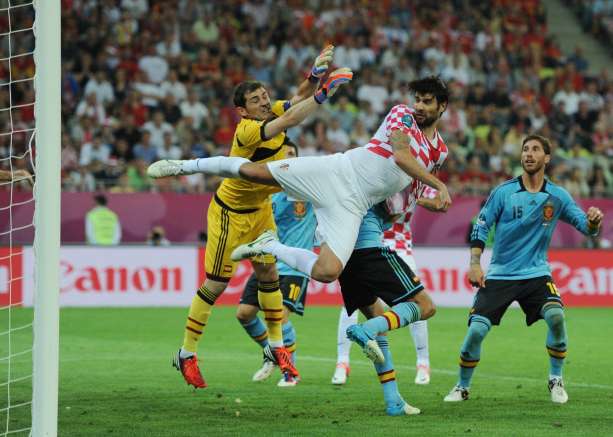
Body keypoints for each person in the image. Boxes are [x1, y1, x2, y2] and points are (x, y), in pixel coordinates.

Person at [158, 45, 352, 388]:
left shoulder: (271, 111)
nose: (265, 102)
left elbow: (294, 101)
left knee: (268, 275)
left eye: (265, 96)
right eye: (257, 99)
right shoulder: (247, 131)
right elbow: (292, 117)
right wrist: (324, 94)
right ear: (242, 110)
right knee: (216, 285)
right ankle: (186, 353)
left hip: (261, 210)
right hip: (230, 214)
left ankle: (278, 348)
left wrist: (315, 73)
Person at [148, 76, 452, 288]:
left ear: (443, 107)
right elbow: (401, 158)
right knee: (255, 172)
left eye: (428, 102)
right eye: (418, 100)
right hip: (337, 172)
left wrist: (426, 200)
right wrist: (440, 187)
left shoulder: (440, 151)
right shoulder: (402, 115)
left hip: (354, 205)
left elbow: (411, 186)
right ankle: (185, 165)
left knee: (328, 271)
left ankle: (268, 245)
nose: (420, 106)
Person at [443, 134, 604, 404]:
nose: (529, 154)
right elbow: (481, 226)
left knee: (556, 316)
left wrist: (594, 222)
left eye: (535, 149)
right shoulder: (504, 192)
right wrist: (474, 264)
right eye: (525, 149)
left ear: (547, 158)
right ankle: (462, 386)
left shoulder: (558, 196)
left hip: (537, 274)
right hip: (500, 274)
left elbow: (585, 227)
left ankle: (556, 378)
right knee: (476, 332)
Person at [334, 178, 448, 416]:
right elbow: (394, 209)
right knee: (424, 307)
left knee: (375, 314)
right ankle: (362, 339)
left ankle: (393, 399)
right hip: (375, 249)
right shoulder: (394, 174)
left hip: (344, 254)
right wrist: (417, 196)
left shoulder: (351, 179)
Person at [236, 144, 317, 387]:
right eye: (284, 154)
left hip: (294, 267)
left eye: (292, 154)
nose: (288, 158)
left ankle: (289, 371)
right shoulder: (265, 193)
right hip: (266, 264)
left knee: (278, 318)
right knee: (244, 315)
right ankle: (272, 352)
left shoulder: (307, 189)